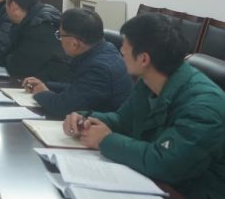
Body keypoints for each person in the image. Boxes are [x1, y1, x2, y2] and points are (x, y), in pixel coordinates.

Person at [63, 13, 225, 198]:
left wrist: (105, 140)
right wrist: (85, 118)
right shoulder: (149, 82)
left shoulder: (204, 107)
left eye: (124, 47)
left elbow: (166, 164)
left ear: (143, 59)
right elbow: (123, 121)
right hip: (154, 183)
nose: (121, 51)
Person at [20, 8, 132, 119]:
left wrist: (40, 93)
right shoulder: (106, 48)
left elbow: (63, 108)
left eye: (60, 35)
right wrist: (46, 85)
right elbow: (79, 89)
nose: (60, 41)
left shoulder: (98, 69)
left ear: (74, 43)